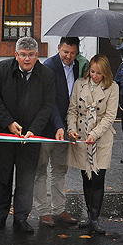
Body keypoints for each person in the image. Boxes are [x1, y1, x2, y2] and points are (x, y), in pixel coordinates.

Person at [0, 36, 55, 234]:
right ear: (15, 55)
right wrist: (9, 122)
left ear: (37, 55)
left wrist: (34, 129)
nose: (27, 59)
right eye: (23, 55)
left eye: (31, 55)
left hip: (30, 138)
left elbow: (47, 106)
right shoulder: (3, 69)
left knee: (25, 180)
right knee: (2, 177)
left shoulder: (47, 75)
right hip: (4, 134)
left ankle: (21, 219)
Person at [34, 37, 87, 227]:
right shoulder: (48, 67)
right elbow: (50, 102)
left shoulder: (77, 66)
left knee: (59, 169)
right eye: (65, 52)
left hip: (65, 128)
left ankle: (59, 209)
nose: (69, 56)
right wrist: (58, 126)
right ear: (58, 48)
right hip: (47, 128)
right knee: (40, 170)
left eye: (73, 53)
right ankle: (43, 211)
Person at [67, 54, 119, 235]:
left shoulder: (113, 87)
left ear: (105, 73)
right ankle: (89, 215)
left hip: (101, 138)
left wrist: (95, 133)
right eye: (92, 71)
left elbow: (110, 116)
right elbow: (72, 110)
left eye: (99, 73)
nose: (95, 76)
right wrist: (71, 129)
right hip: (81, 135)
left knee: (98, 178)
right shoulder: (79, 84)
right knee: (85, 177)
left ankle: (95, 218)